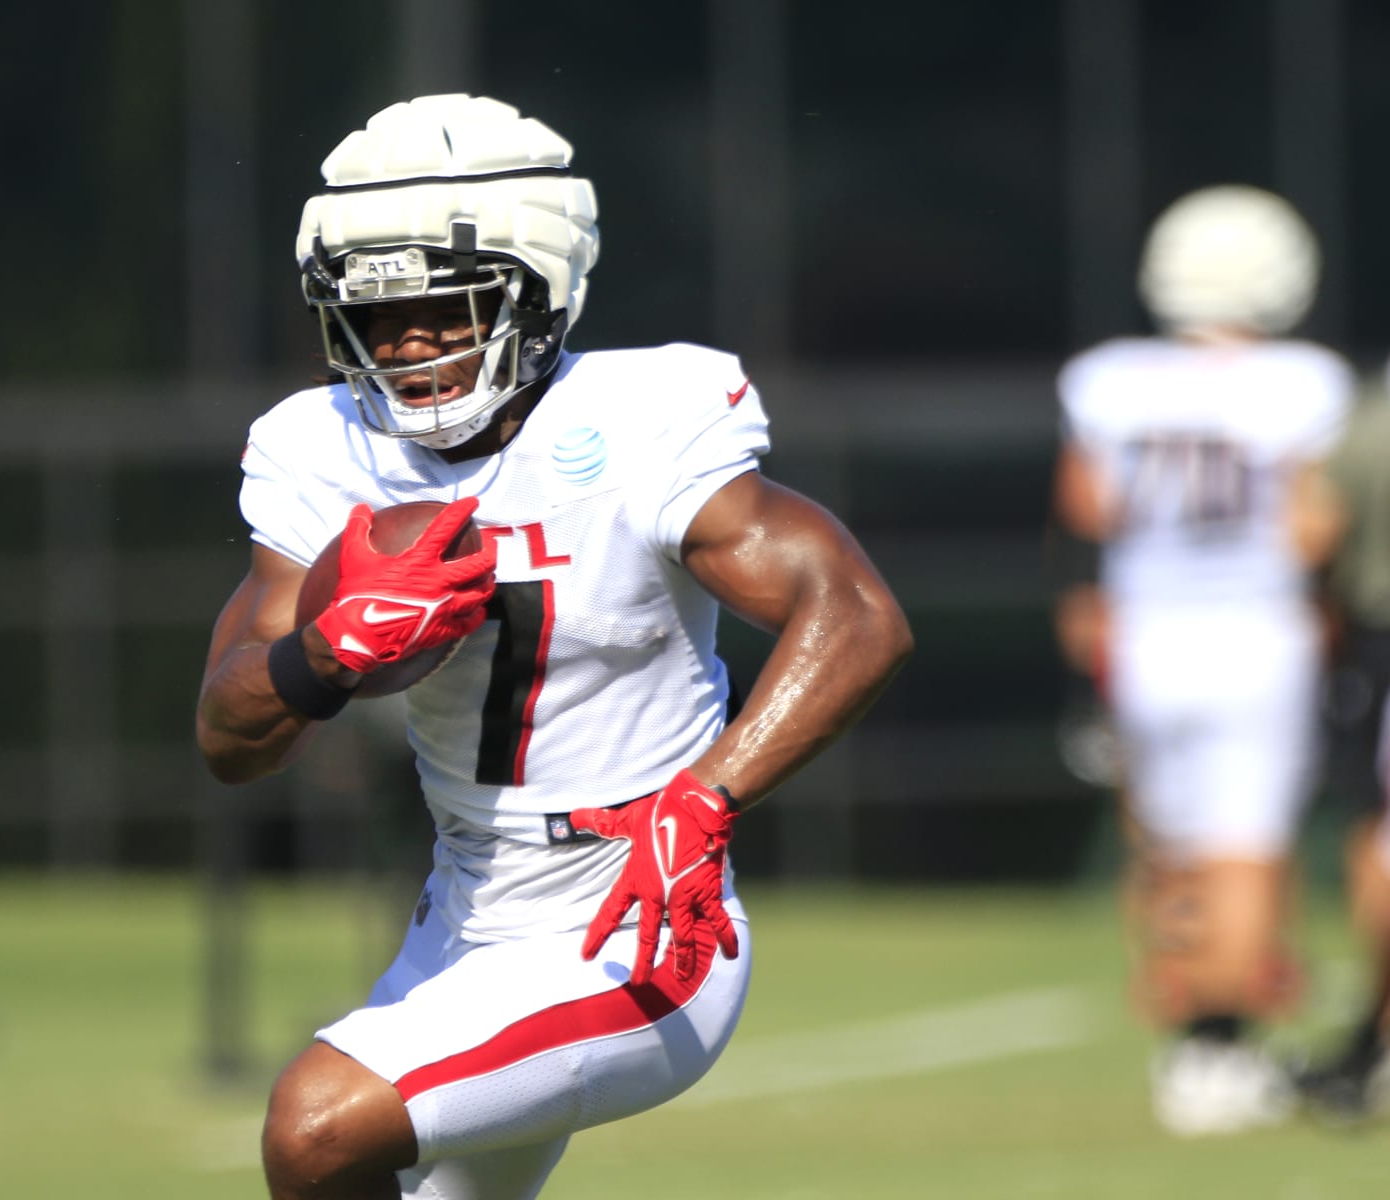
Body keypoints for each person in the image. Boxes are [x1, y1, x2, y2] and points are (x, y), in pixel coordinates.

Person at [196, 94, 912, 1199]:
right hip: (463, 908)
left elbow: (858, 615)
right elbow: (228, 736)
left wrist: (705, 802)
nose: (411, 345)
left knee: (314, 1125)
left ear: (536, 293)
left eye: (449, 306)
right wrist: (323, 657)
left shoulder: (638, 420)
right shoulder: (319, 451)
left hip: (639, 907)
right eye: (380, 319)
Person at [1051, 184, 1352, 1136]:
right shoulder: (1306, 380)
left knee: (1168, 844)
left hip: (1150, 632)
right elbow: (1314, 527)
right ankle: (1223, 1051)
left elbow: (1089, 510)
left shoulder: (1109, 377)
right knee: (1246, 848)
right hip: (1259, 631)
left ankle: (1190, 1044)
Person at [1295, 374, 1390, 1120]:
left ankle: (1378, 1040)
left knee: (1379, 841)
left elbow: (1313, 531)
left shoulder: (1369, 416)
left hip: (1379, 637)